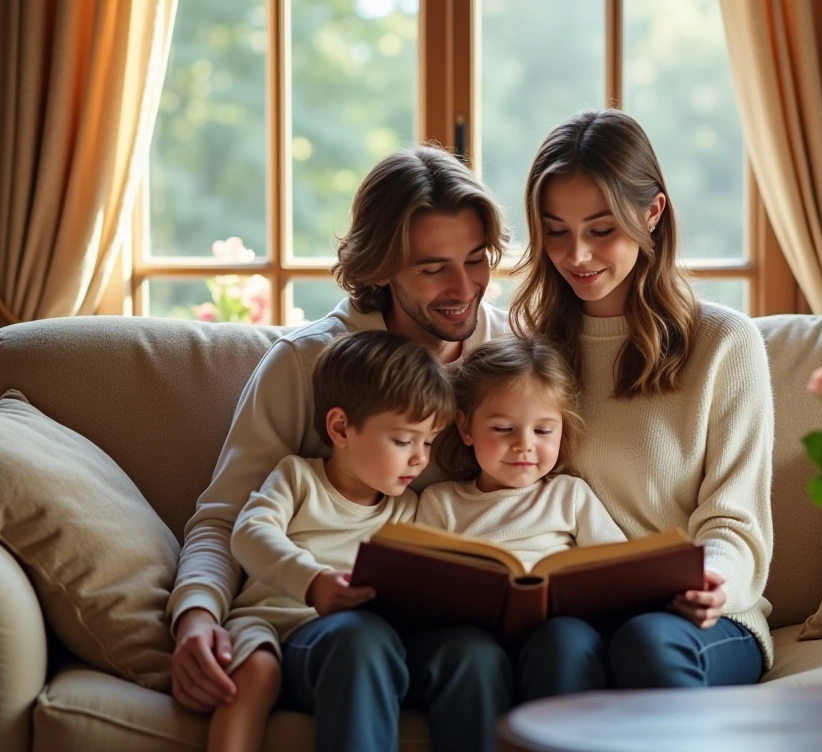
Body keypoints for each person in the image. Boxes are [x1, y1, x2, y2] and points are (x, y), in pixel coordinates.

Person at [169, 146, 514, 752]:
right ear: (380, 269)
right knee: (361, 640)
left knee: (477, 656)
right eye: (433, 268)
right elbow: (227, 519)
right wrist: (195, 616)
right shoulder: (307, 363)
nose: (465, 289)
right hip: (326, 629)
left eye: (476, 260)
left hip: (430, 627)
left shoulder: (511, 358)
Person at [508, 109, 776, 699]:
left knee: (646, 642)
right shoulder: (529, 353)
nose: (577, 255)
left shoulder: (723, 343)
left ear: (652, 213)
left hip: (701, 617)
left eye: (601, 230)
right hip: (579, 616)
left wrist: (713, 580)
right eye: (556, 231)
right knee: (555, 648)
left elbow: (734, 520)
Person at [208, 331, 449, 752]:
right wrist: (312, 581)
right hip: (271, 625)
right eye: (403, 440)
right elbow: (249, 533)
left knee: (372, 643)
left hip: (351, 646)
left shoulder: (408, 509)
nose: (420, 458)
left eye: (428, 442)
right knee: (256, 675)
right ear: (340, 428)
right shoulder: (297, 477)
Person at [417, 336, 626, 571]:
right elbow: (423, 578)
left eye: (542, 431)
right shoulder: (440, 502)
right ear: (465, 427)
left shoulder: (570, 494)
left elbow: (617, 567)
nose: (524, 445)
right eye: (504, 429)